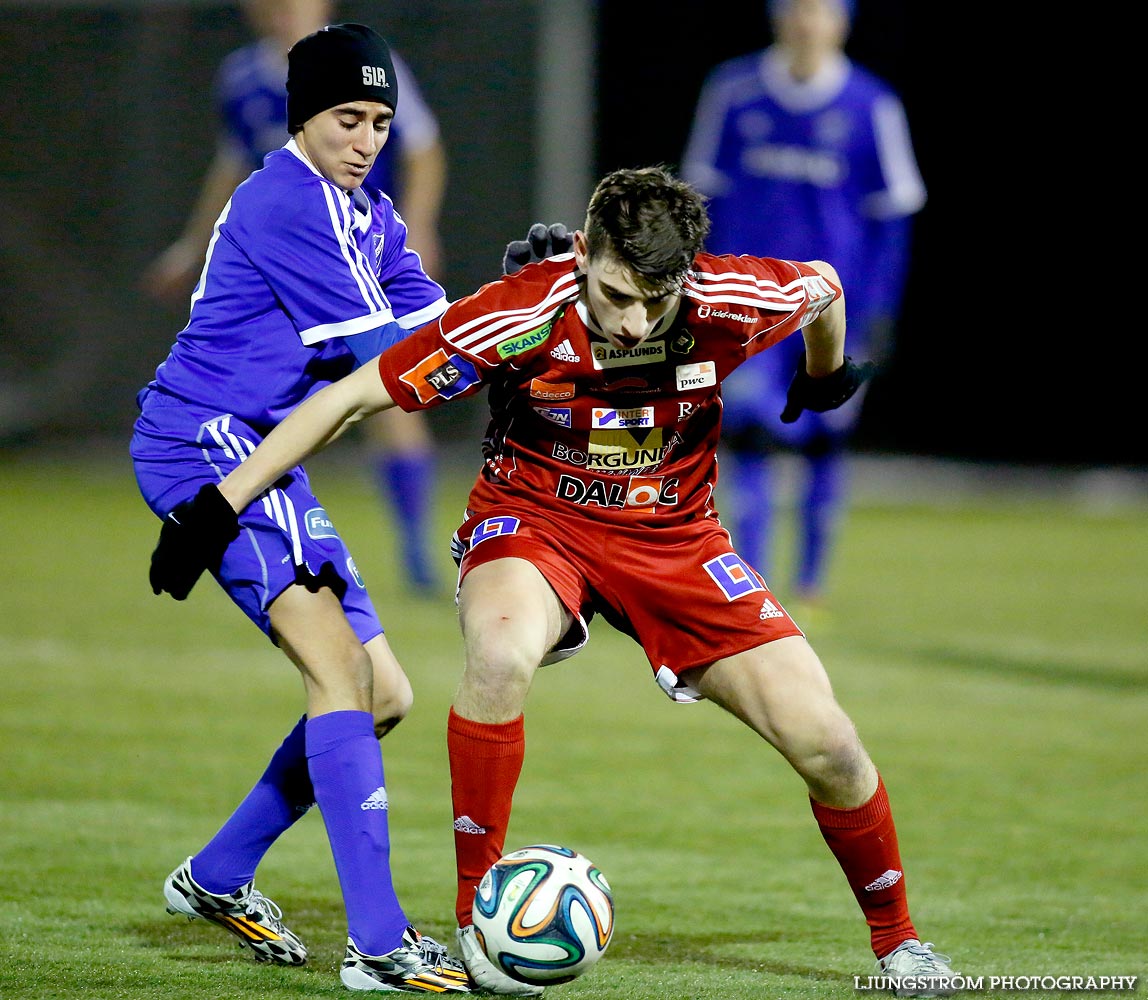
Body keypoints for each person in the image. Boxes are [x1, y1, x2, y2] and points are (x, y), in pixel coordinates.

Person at [148, 165, 961, 999]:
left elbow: (824, 292)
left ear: (689, 277)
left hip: (677, 541)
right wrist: (217, 507)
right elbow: (350, 400)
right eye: (615, 294)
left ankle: (900, 945)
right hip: (535, 523)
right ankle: (477, 923)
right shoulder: (522, 312)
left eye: (657, 300)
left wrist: (822, 379)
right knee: (499, 658)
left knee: (830, 744)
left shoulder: (732, 299)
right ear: (583, 254)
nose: (634, 322)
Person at [131, 22, 469, 993]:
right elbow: (391, 358)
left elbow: (433, 322)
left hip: (263, 455)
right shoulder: (287, 201)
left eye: (378, 120)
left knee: (386, 695)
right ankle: (378, 944)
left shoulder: (363, 211)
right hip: (208, 441)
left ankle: (217, 874)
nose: (367, 138)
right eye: (346, 117)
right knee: (337, 672)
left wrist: (516, 300)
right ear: (302, 116)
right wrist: (503, 327)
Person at [143, 0, 448, 592]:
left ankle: (415, 552)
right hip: (291, 262)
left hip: (356, 256)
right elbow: (233, 164)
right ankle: (228, 504)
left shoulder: (362, 64)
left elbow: (424, 149)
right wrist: (193, 243)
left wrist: (419, 227)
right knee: (375, 379)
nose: (283, 10)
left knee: (387, 386)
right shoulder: (243, 79)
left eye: (376, 124)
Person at [681, 0, 927, 613]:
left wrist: (878, 314)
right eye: (796, 8)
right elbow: (698, 198)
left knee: (824, 440)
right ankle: (751, 579)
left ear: (843, 20)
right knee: (751, 434)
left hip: (831, 312)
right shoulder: (734, 91)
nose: (807, 22)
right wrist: (696, 291)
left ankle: (812, 581)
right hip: (748, 305)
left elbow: (892, 220)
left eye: (820, 9)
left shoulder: (872, 104)